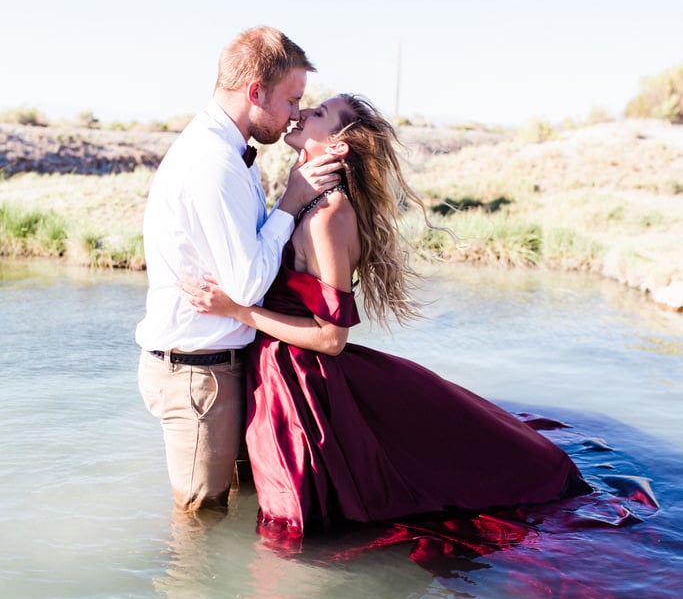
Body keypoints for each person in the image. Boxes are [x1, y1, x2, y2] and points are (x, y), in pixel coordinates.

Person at [177, 94, 591, 533]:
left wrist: (237, 310)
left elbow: (331, 338)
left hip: (298, 387)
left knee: (292, 522)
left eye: (317, 113)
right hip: (275, 373)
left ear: (337, 147)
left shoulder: (328, 217)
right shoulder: (307, 202)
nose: (301, 113)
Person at [135, 26, 344, 512]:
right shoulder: (213, 161)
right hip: (198, 375)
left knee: (224, 513)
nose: (296, 112)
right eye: (292, 100)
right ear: (256, 92)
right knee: (199, 522)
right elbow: (247, 284)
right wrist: (291, 202)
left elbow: (245, 254)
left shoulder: (230, 151)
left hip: (214, 369)